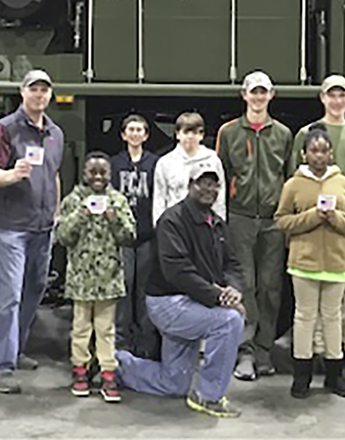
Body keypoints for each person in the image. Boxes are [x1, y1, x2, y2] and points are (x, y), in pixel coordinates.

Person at [116, 161, 247, 419]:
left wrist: (234, 289)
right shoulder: (172, 220)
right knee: (229, 321)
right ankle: (208, 397)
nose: (208, 189)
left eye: (214, 185)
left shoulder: (218, 224)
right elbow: (178, 271)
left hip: (194, 301)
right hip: (168, 303)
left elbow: (232, 264)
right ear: (190, 186)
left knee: (173, 383)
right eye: (202, 183)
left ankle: (113, 363)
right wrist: (220, 297)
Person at [0, 69, 65, 395]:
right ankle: (0, 368)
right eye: (34, 89)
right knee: (9, 296)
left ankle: (16, 349)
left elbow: (54, 174)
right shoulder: (4, 130)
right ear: (22, 92)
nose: (39, 95)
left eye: (44, 90)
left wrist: (56, 213)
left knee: (35, 289)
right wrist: (12, 175)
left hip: (43, 227)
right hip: (11, 228)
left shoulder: (55, 133)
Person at [289, 75, 345, 374]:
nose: (337, 101)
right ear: (322, 98)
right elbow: (294, 178)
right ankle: (317, 351)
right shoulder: (306, 133)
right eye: (331, 95)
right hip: (312, 228)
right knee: (313, 294)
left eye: (342, 95)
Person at [275, 128, 345, 399]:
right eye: (314, 150)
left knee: (333, 317)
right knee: (304, 317)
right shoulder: (293, 185)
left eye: (324, 150)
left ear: (331, 154)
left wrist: (336, 218)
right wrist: (313, 216)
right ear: (304, 154)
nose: (319, 156)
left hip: (336, 263)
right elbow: (282, 220)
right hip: (303, 263)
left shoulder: (344, 184)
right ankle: (301, 377)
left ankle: (334, 376)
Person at [216, 71, 293, 381]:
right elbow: (220, 176)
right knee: (244, 285)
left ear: (271, 95)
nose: (259, 97)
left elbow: (289, 178)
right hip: (241, 219)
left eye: (264, 92)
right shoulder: (229, 133)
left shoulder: (283, 134)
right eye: (254, 92)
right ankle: (244, 351)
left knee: (271, 286)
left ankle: (264, 350)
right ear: (244, 95)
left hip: (273, 221)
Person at [54, 152, 136, 403]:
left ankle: (108, 373)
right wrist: (81, 215)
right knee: (80, 329)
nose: (98, 177)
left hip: (108, 279)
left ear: (110, 175)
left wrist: (114, 218)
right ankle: (80, 370)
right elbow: (62, 237)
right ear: (84, 173)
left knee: (106, 330)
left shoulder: (117, 200)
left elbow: (130, 235)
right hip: (81, 280)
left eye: (103, 172)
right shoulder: (73, 200)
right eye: (93, 172)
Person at [109, 114, 161, 358]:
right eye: (130, 129)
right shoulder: (114, 163)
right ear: (123, 134)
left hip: (147, 236)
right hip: (123, 238)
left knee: (144, 289)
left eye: (139, 129)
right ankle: (121, 341)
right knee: (124, 287)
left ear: (146, 135)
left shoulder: (155, 164)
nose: (135, 134)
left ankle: (146, 342)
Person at [153, 112, 227, 224]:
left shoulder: (213, 160)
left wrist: (219, 223)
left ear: (201, 135)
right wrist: (159, 226)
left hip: (204, 223)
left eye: (195, 132)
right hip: (175, 223)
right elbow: (159, 198)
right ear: (177, 135)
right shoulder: (165, 163)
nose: (190, 136)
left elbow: (220, 195)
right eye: (186, 132)